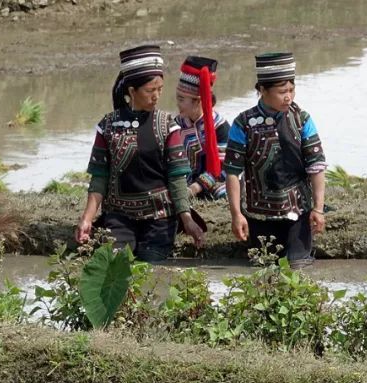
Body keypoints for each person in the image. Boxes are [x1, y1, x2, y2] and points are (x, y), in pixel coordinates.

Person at [76, 45, 205, 260]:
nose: (156, 96)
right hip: (119, 216)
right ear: (131, 91)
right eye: (150, 91)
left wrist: (187, 218)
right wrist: (87, 219)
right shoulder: (107, 126)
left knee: (152, 267)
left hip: (160, 218)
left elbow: (176, 178)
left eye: (160, 89)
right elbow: (100, 178)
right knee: (116, 263)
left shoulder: (167, 126)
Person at [224, 52, 327, 269]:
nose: (288, 97)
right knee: (264, 270)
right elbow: (233, 172)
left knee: (297, 267)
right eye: (282, 92)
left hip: (298, 212)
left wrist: (318, 208)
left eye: (291, 90)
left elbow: (316, 165)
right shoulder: (243, 124)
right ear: (262, 90)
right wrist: (236, 214)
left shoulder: (302, 119)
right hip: (258, 216)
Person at [175, 56, 229, 201]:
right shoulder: (177, 124)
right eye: (177, 98)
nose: (177, 104)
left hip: (215, 181)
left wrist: (195, 188)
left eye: (181, 99)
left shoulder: (220, 127)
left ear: (197, 101)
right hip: (185, 181)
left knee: (223, 194)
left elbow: (223, 167)